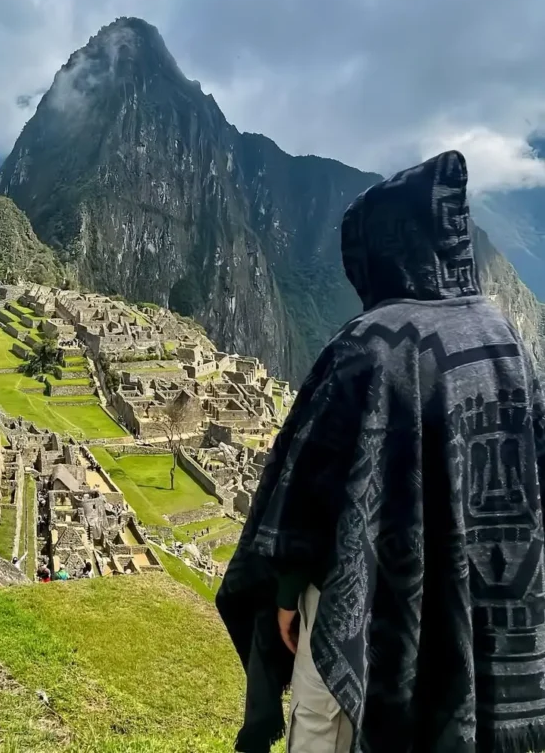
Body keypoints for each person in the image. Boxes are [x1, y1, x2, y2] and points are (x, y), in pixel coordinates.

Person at [217, 151, 545, 753]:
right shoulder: (507, 342)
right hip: (478, 596)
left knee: (324, 723)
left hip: (364, 599)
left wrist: (288, 594)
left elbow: (308, 487)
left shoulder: (368, 346)